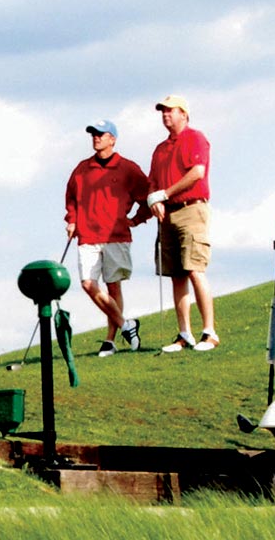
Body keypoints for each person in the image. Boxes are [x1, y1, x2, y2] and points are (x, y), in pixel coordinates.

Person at [64, 119, 148, 356]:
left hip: (116, 235)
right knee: (88, 284)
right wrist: (72, 219)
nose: (96, 138)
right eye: (93, 134)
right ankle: (126, 325)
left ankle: (110, 341)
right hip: (88, 235)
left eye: (101, 134)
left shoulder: (128, 168)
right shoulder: (82, 169)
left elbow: (147, 196)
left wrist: (137, 219)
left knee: (113, 287)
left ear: (112, 139)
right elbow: (71, 197)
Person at [145, 95, 217, 352]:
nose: (165, 115)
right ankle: (184, 333)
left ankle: (209, 332)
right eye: (163, 112)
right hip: (168, 213)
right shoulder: (160, 149)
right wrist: (155, 199)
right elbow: (153, 181)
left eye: (170, 111)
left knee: (195, 269)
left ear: (183, 114)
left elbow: (197, 172)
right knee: (176, 274)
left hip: (191, 208)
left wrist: (165, 194)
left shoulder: (195, 137)